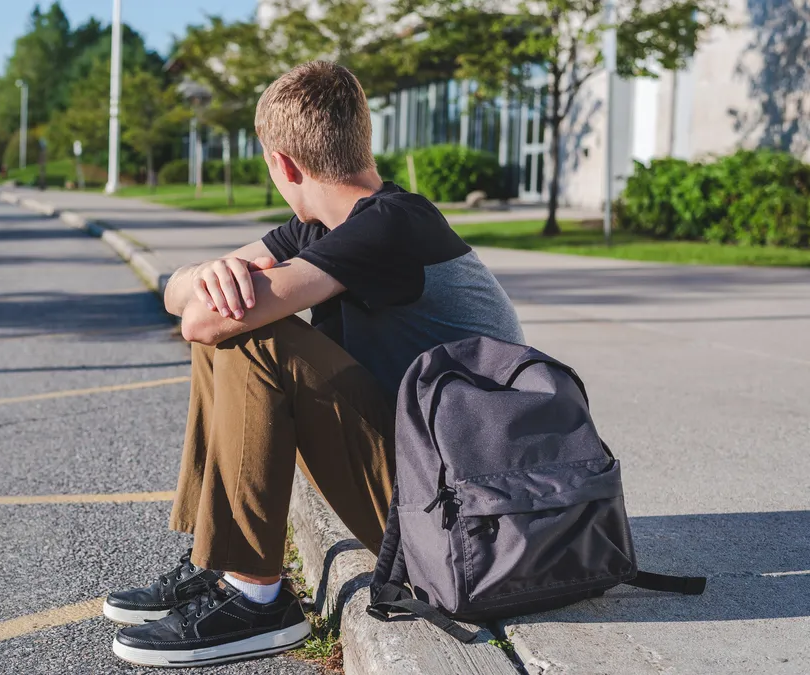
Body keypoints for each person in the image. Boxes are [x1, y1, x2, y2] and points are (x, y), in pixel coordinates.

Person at [105, 61, 525, 668]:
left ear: (283, 165)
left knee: (254, 337)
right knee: (234, 319)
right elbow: (181, 296)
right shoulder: (327, 227)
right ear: (363, 139)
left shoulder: (390, 227)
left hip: (466, 520)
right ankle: (215, 563)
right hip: (440, 493)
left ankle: (256, 598)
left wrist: (211, 291)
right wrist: (204, 274)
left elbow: (202, 320)